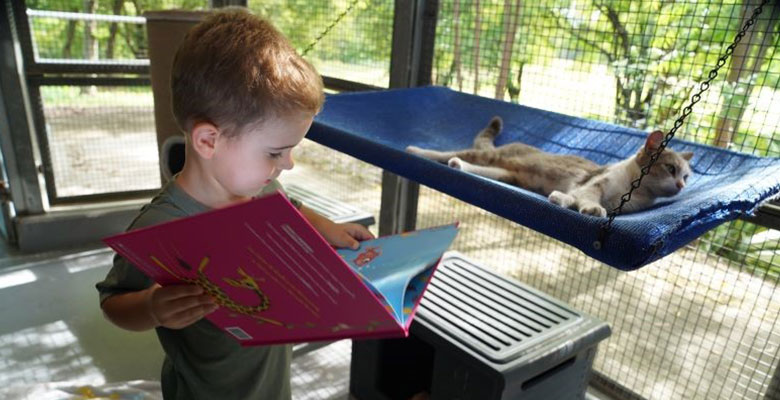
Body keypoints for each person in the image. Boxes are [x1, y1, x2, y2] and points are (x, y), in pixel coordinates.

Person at [95, 8, 373, 400]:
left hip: (272, 386)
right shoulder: (160, 225)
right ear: (209, 140)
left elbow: (289, 208)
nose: (288, 164)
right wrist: (153, 307)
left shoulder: (259, 191)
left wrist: (327, 228)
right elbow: (113, 302)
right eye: (276, 152)